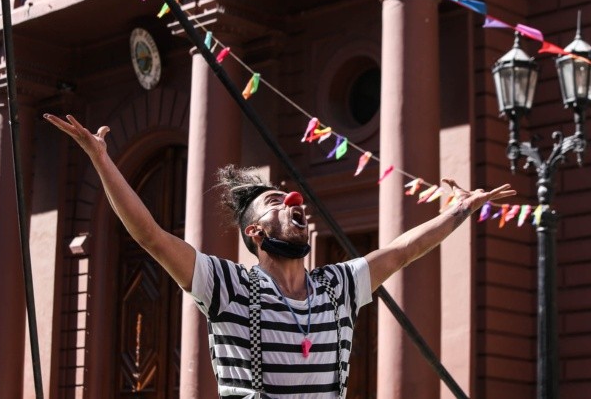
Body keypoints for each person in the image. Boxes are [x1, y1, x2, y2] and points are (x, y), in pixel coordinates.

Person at [44, 113, 516, 398]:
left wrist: (459, 212)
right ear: (254, 233)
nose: (293, 206)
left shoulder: (337, 288)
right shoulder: (227, 286)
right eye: (275, 204)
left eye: (293, 204)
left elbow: (402, 250)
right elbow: (150, 236)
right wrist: (101, 160)